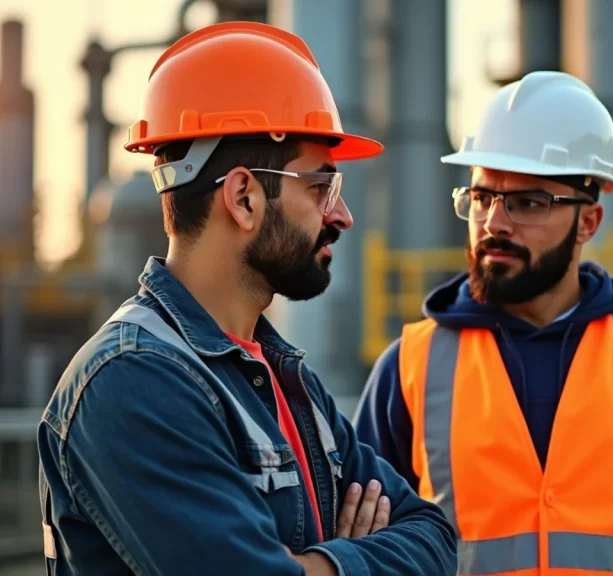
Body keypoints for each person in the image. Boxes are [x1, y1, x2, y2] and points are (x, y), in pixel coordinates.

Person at [37, 22, 457, 576]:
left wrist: (316, 566)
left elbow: (434, 536)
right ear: (242, 197)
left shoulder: (284, 377)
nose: (341, 216)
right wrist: (353, 558)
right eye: (320, 187)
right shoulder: (132, 382)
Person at [353, 70, 613, 575]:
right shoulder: (408, 370)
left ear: (588, 222)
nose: (494, 223)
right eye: (481, 198)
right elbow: (364, 555)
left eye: (529, 202)